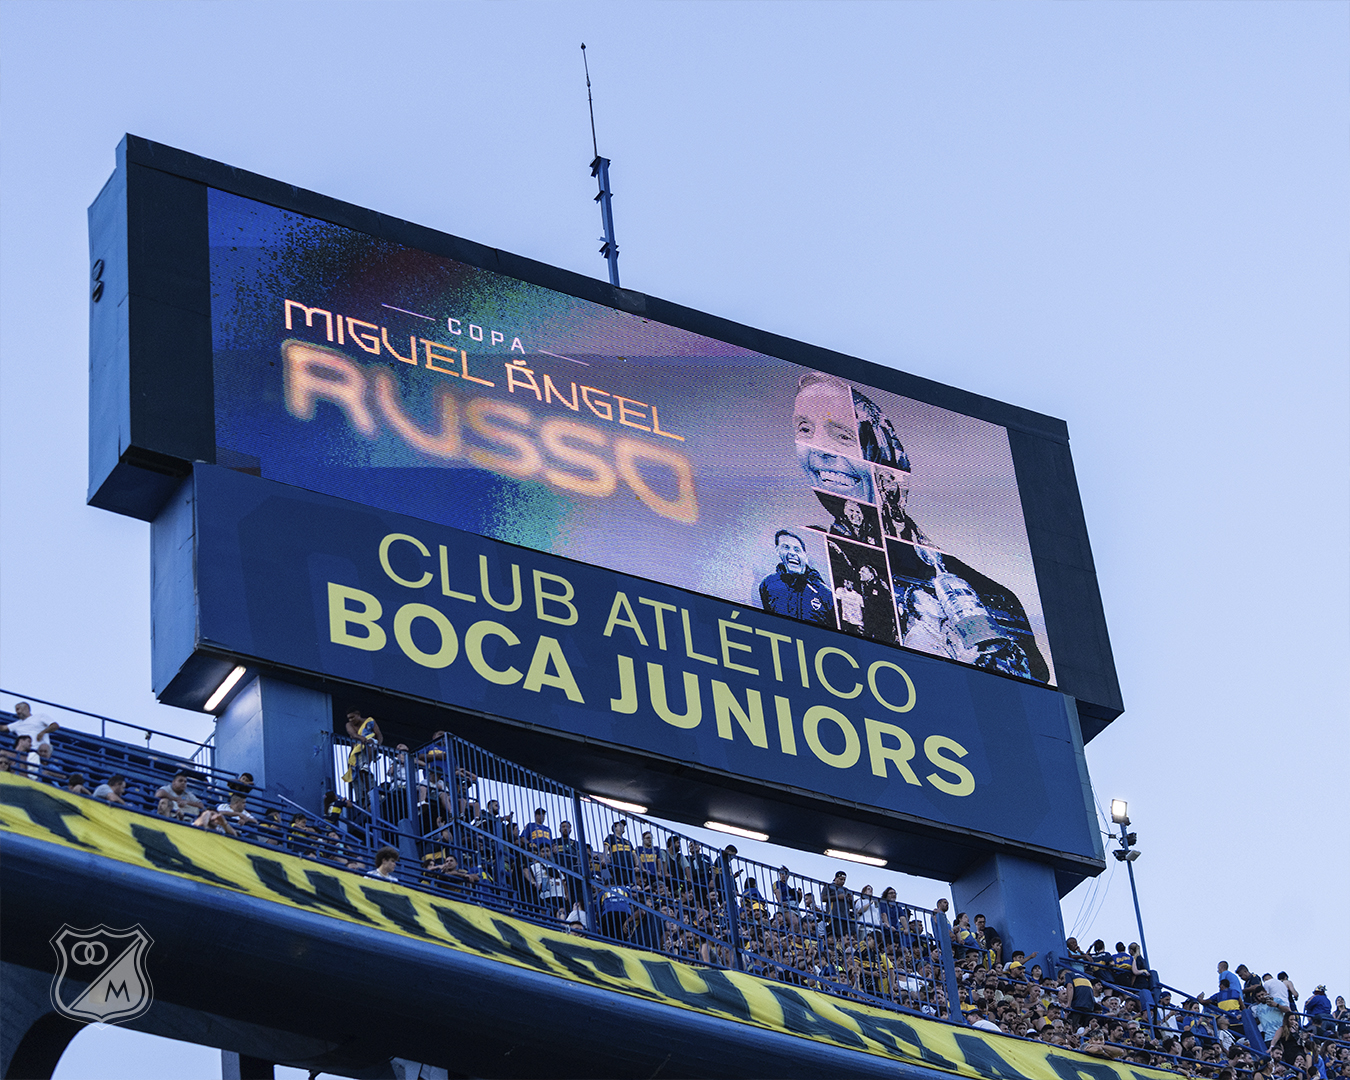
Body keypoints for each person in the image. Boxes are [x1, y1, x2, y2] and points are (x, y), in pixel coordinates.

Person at [757, 529, 834, 627]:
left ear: (805, 556)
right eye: (786, 547)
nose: (792, 553)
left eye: (797, 550)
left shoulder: (824, 592)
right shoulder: (768, 584)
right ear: (778, 551)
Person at [604, 819, 635, 886]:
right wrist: (604, 858)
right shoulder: (611, 837)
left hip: (629, 867)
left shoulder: (627, 841)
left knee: (629, 885)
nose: (623, 827)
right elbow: (606, 847)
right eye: (620, 826)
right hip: (618, 866)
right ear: (615, 828)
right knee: (620, 883)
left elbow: (634, 854)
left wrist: (637, 865)